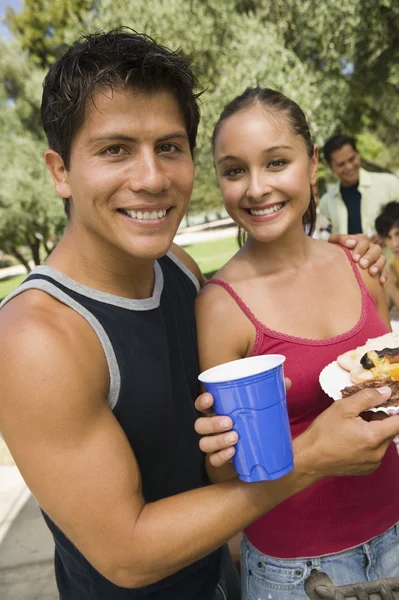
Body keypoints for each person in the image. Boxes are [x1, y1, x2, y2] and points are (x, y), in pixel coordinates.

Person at [0, 31, 396, 600]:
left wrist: (349, 252)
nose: (153, 177)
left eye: (168, 146)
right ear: (60, 170)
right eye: (115, 149)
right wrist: (307, 459)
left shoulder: (177, 268)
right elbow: (127, 556)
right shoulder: (35, 340)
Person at [195, 87, 399, 600]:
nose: (257, 187)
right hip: (298, 572)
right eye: (235, 170)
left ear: (312, 166)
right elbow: (224, 479)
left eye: (277, 162)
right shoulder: (220, 306)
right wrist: (219, 448)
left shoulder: (363, 266)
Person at [319, 134, 399, 236]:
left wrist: (385, 236)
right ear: (331, 167)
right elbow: (327, 238)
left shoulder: (389, 183)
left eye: (352, 159)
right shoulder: (326, 202)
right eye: (341, 164)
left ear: (358, 155)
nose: (349, 167)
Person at [375, 201, 399, 310]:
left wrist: (391, 288)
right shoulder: (394, 264)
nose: (394, 244)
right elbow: (383, 311)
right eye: (388, 237)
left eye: (398, 234)